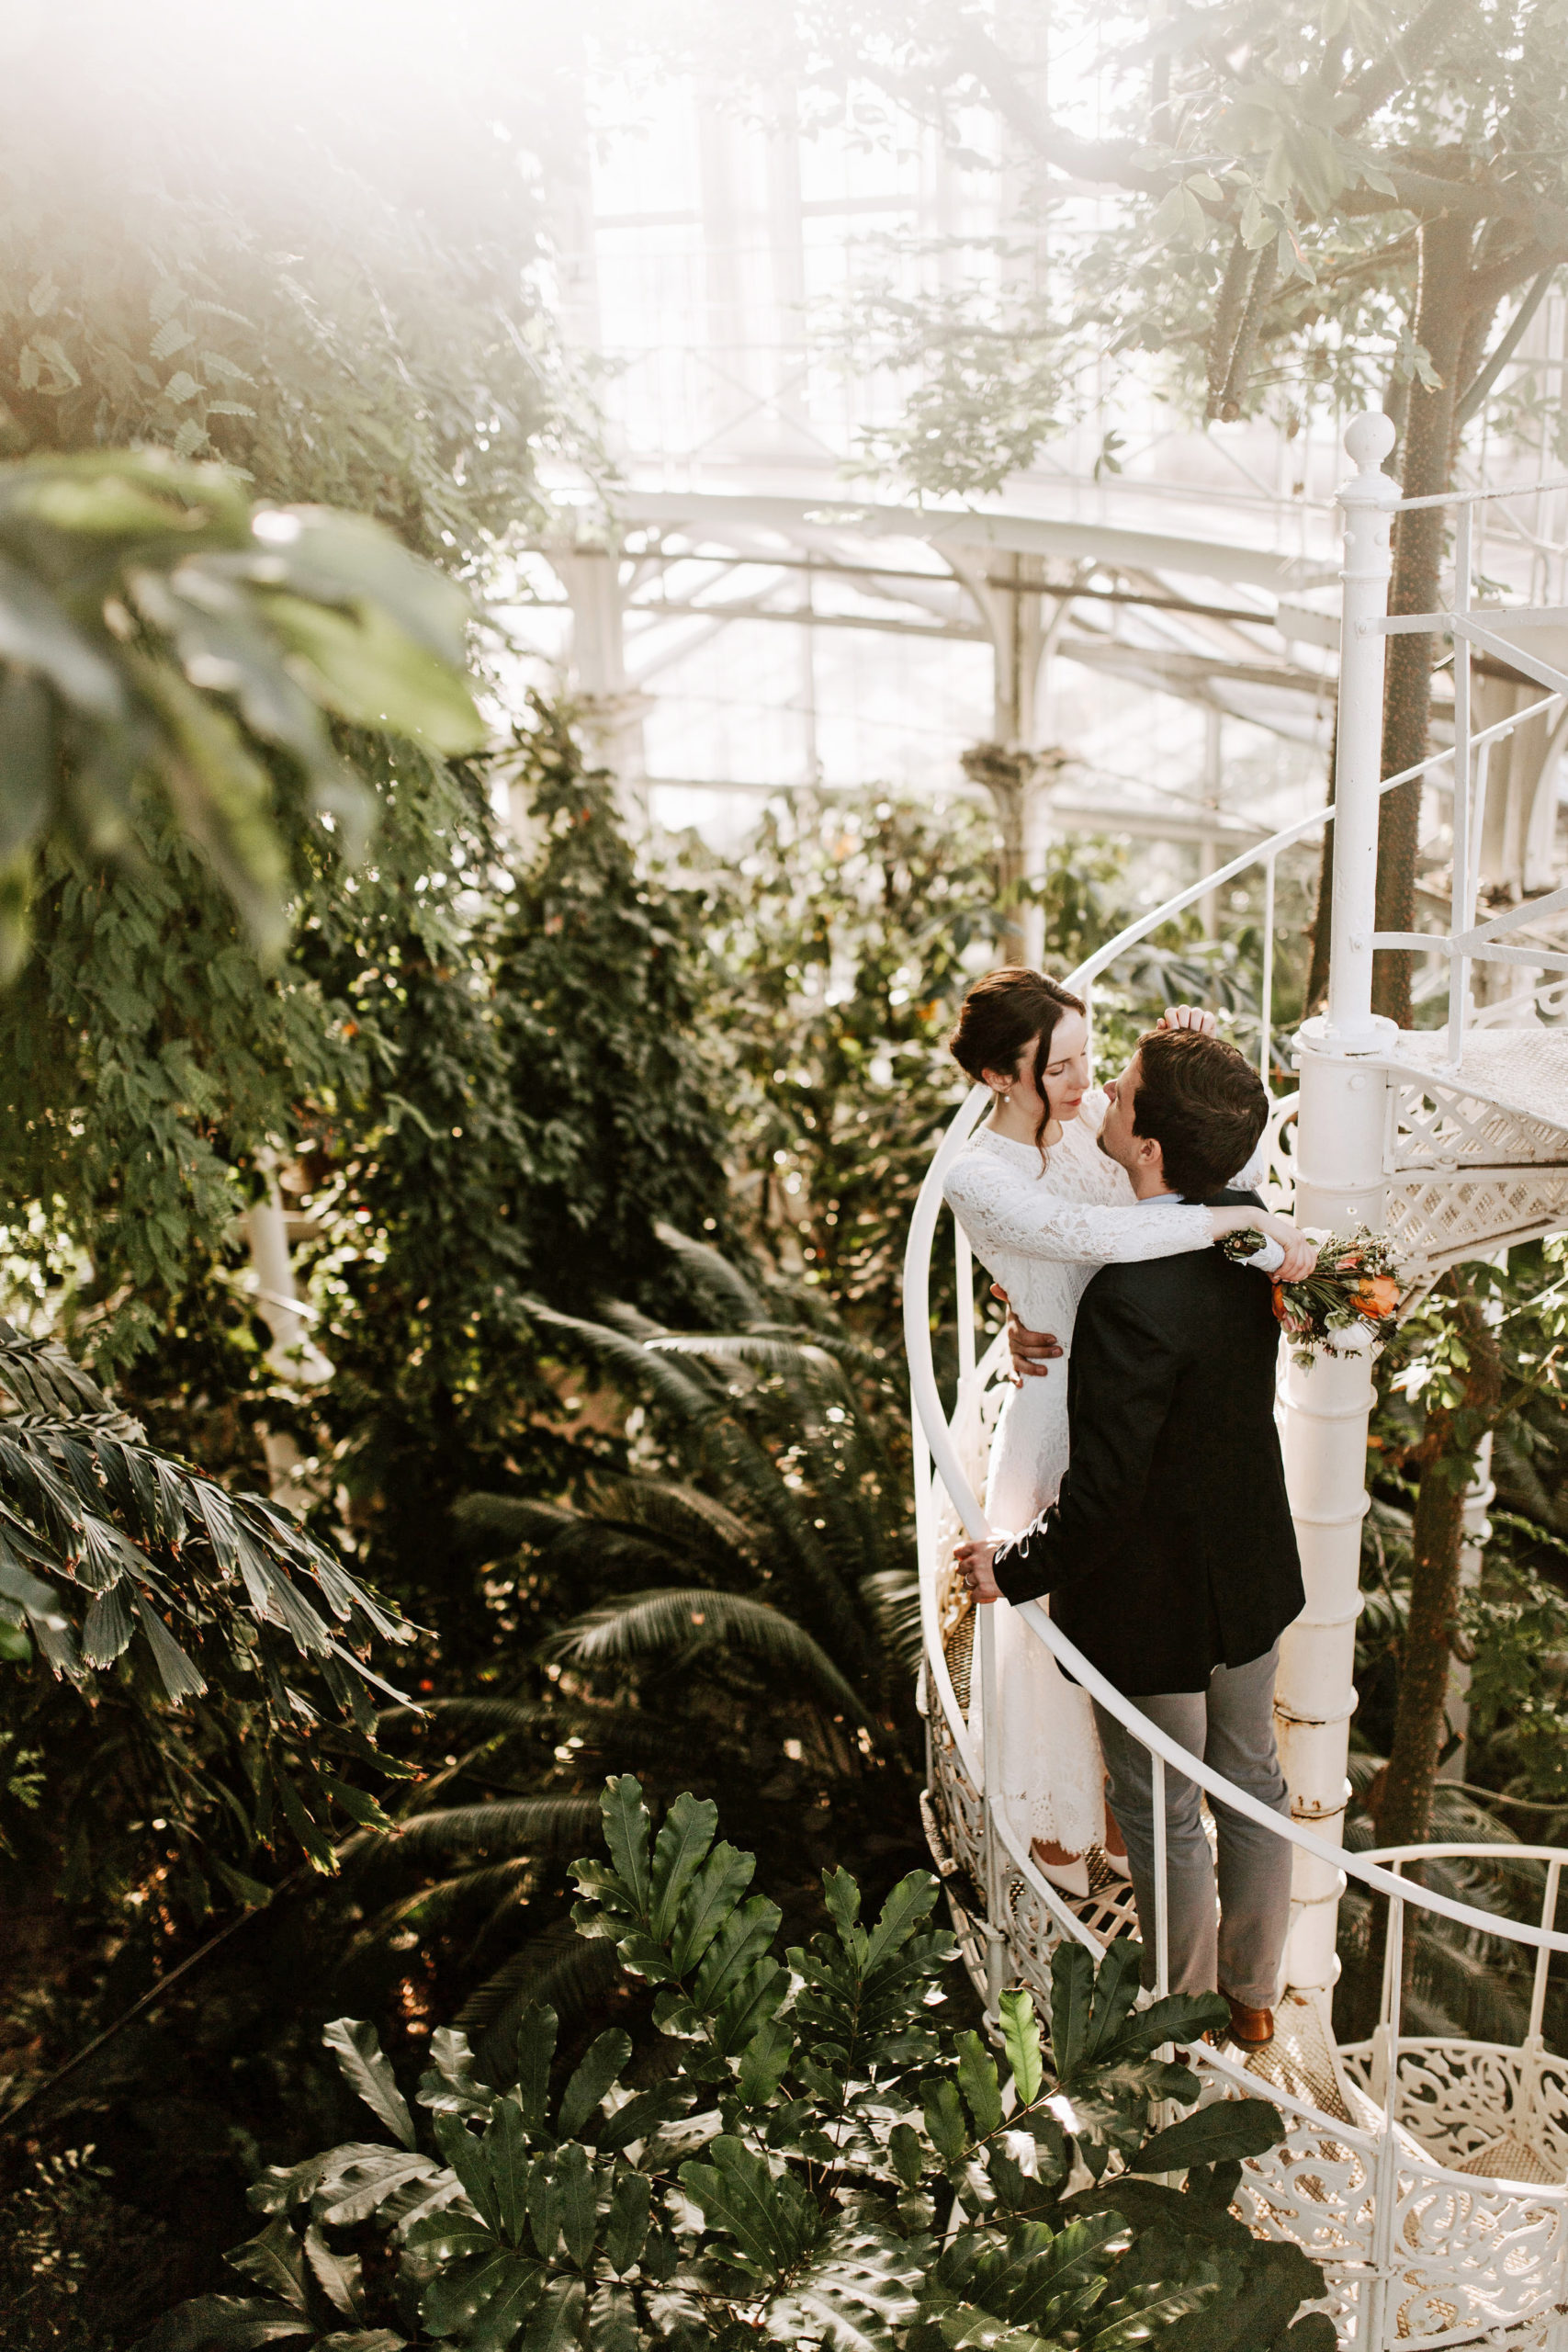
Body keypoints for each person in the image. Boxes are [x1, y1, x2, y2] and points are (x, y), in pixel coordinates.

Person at [954, 1023, 1307, 2048]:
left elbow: (1103, 1494)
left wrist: (1010, 1570)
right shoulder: (1248, 1233)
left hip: (1153, 1591)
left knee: (1161, 1811)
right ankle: (1250, 2002)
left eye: (1125, 1084)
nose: (1105, 1086)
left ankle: (1187, 2024)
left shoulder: (1133, 1293)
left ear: (1150, 1148)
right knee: (1253, 1777)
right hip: (1247, 1563)